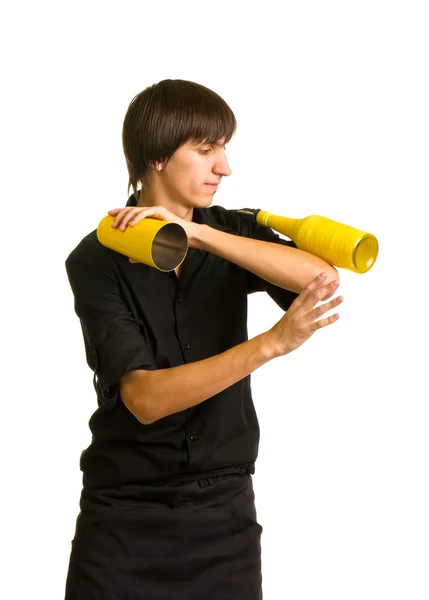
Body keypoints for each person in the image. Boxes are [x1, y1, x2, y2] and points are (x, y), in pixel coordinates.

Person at [64, 79, 343, 600]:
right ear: (158, 158)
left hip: (225, 515)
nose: (225, 167)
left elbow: (320, 279)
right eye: (206, 149)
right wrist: (270, 344)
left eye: (224, 148)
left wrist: (197, 233)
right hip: (124, 521)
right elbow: (146, 400)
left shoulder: (230, 233)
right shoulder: (96, 260)